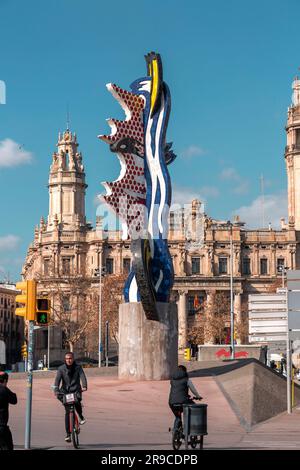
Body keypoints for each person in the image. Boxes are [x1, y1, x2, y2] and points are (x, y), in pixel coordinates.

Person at [53, 352, 87, 442]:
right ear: (65, 359)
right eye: (67, 358)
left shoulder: (78, 367)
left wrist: (84, 386)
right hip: (65, 392)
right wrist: (56, 390)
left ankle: (80, 416)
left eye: (70, 358)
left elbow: (82, 377)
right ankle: (68, 434)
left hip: (76, 390)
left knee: (77, 402)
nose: (69, 360)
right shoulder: (61, 369)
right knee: (68, 412)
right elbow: (57, 380)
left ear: (73, 359)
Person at [168, 365, 202, 431]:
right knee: (194, 407)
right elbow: (193, 390)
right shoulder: (187, 380)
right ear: (185, 372)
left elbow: (177, 390)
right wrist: (198, 396)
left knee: (177, 417)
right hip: (183, 401)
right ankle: (193, 426)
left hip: (172, 402)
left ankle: (175, 430)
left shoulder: (172, 380)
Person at [0, 372, 17, 450]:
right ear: (5, 381)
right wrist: (4, 387)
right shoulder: (4, 390)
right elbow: (14, 400)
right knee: (8, 446)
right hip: (1, 427)